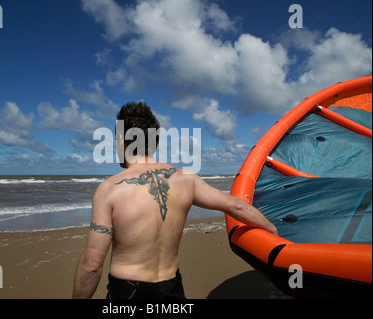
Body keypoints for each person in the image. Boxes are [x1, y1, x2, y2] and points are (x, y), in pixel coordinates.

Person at [72, 101, 278, 299]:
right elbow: (236, 206)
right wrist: (273, 232)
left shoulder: (109, 189)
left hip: (128, 292)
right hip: (171, 288)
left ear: (121, 141)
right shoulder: (186, 180)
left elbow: (92, 265)